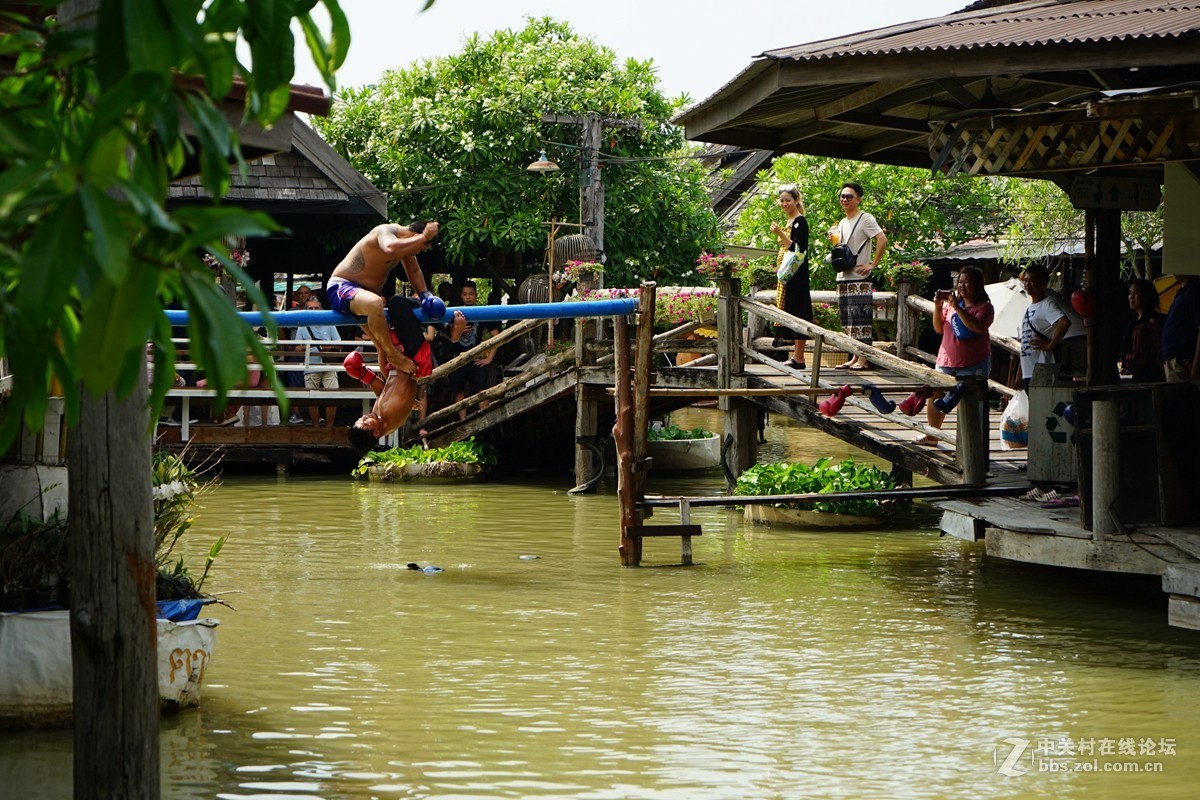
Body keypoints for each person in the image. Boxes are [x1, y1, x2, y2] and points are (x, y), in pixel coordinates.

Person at [326, 220, 445, 376]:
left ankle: (384, 388)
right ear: (415, 236)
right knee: (377, 305)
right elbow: (389, 248)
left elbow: (414, 271)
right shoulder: (385, 231)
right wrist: (423, 238)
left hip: (364, 296)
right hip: (342, 287)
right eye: (420, 248)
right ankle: (393, 354)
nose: (418, 252)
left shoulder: (405, 248)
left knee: (383, 346)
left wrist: (425, 295)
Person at [345, 297, 465, 451]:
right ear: (376, 432)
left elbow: (383, 392)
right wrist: (393, 351)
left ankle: (357, 314)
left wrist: (363, 374)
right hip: (412, 359)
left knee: (367, 317)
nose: (364, 416)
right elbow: (407, 374)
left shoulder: (380, 419)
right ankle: (448, 332)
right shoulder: (392, 414)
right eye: (365, 422)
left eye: (360, 419)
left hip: (399, 362)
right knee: (397, 304)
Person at [917, 266, 994, 445]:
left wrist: (957, 309)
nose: (962, 286)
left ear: (977, 285)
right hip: (946, 360)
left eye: (967, 282)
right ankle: (932, 436)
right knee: (935, 394)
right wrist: (938, 307)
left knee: (969, 403)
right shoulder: (951, 305)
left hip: (973, 363)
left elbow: (977, 327)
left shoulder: (985, 307)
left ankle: (969, 444)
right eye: (960, 282)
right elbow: (938, 328)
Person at [830, 182, 887, 370]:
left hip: (859, 277)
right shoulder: (841, 222)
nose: (844, 199)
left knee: (861, 320)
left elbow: (882, 239)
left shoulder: (865, 219)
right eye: (842, 196)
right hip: (843, 276)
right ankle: (854, 357)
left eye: (849, 196)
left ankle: (863, 359)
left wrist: (873, 264)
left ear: (858, 199)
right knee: (848, 320)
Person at [1017, 264, 1084, 392]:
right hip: (1028, 370)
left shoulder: (1047, 304)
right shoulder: (1029, 308)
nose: (1027, 284)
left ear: (1043, 283)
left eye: (1032, 281)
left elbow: (1064, 322)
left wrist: (1049, 345)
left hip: (1043, 368)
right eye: (1025, 280)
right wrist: (1020, 372)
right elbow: (1026, 342)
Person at [769, 184, 812, 370]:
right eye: (782, 201)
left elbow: (797, 249)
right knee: (789, 311)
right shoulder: (790, 221)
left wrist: (779, 233)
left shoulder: (800, 222)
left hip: (797, 275)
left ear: (796, 200)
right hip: (787, 275)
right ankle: (795, 356)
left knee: (798, 311)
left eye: (788, 200)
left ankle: (799, 356)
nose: (785, 204)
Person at [448, 281, 501, 420]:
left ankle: (485, 419)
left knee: (482, 389)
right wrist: (458, 328)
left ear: (476, 295)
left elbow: (497, 336)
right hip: (457, 358)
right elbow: (450, 337)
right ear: (461, 296)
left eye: (471, 294)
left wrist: (489, 358)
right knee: (458, 390)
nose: (468, 297)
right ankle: (462, 420)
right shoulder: (455, 313)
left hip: (476, 358)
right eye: (465, 294)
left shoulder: (482, 313)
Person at [294, 296, 342, 427]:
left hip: (329, 365)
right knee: (312, 399)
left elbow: (339, 344)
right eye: (311, 308)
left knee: (333, 397)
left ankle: (329, 429)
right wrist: (308, 345)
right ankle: (316, 427)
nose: (314, 310)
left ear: (321, 309)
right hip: (311, 366)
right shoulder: (303, 326)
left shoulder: (329, 324)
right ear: (306, 310)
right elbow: (297, 348)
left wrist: (328, 347)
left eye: (316, 308)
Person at [1121, 278, 1165, 383]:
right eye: (1130, 293)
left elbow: (1159, 350)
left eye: (1135, 293)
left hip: (1149, 374)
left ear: (1146, 296)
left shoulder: (1151, 321)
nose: (1131, 297)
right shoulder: (1133, 321)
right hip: (1136, 373)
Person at [1161, 275, 1200, 383]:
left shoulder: (1194, 291)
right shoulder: (1185, 291)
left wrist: (1196, 366)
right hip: (1176, 359)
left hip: (1182, 360)